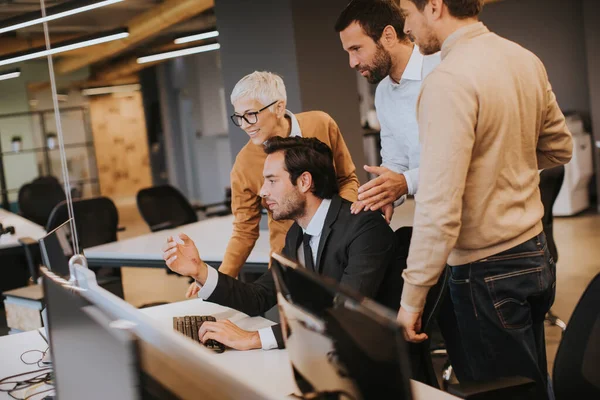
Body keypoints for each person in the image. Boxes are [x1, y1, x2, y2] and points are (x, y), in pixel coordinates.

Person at [396, 0, 573, 396]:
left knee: (502, 392)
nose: (406, 25)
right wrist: (504, 166)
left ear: (435, 7)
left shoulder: (447, 81)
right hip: (535, 254)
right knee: (528, 383)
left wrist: (411, 299)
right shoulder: (524, 59)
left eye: (407, 12)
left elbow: (438, 209)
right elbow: (560, 147)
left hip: (486, 272)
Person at [163, 137, 399, 351]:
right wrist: (200, 270)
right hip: (326, 358)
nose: (263, 191)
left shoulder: (364, 228)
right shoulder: (297, 232)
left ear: (305, 181)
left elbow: (345, 316)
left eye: (272, 180)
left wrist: (253, 338)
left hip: (376, 366)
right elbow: (260, 296)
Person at [186, 71, 359, 297]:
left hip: (341, 245)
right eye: (238, 117)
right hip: (290, 258)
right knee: (296, 326)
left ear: (278, 108)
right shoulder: (244, 164)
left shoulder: (321, 123)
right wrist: (214, 282)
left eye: (251, 114)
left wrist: (340, 224)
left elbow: (347, 179)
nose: (244, 125)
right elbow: (244, 231)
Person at [335, 0, 441, 222]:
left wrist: (405, 183)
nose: (352, 63)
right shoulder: (384, 92)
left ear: (389, 36)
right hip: (432, 219)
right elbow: (395, 161)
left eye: (356, 49)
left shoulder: (441, 69)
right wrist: (381, 195)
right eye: (347, 52)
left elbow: (461, 156)